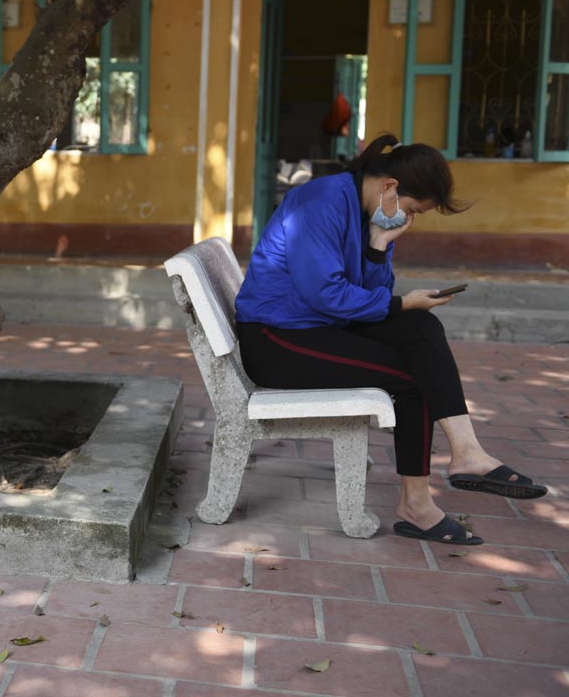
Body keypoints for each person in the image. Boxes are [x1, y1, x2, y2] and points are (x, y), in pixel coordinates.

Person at [233, 133, 546, 546]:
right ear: (390, 188)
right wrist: (398, 305)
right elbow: (326, 295)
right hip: (278, 340)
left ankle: (467, 451)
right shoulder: (321, 203)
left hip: (318, 326)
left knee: (423, 329)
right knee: (413, 374)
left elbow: (368, 292)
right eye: (412, 209)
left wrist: (380, 246)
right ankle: (417, 505)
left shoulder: (371, 213)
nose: (409, 218)